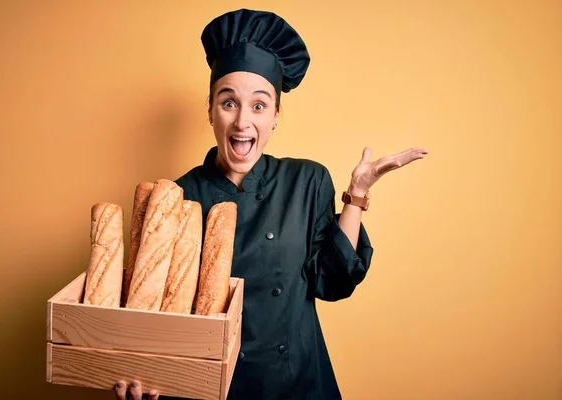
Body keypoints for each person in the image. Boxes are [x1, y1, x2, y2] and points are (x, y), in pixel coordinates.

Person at [113, 8, 428, 400]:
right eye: (228, 103)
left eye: (259, 105)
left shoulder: (307, 181)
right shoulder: (176, 197)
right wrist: (139, 373)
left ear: (276, 115)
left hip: (297, 383)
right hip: (211, 390)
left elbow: (333, 282)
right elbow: (156, 316)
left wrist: (357, 194)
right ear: (210, 110)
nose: (243, 122)